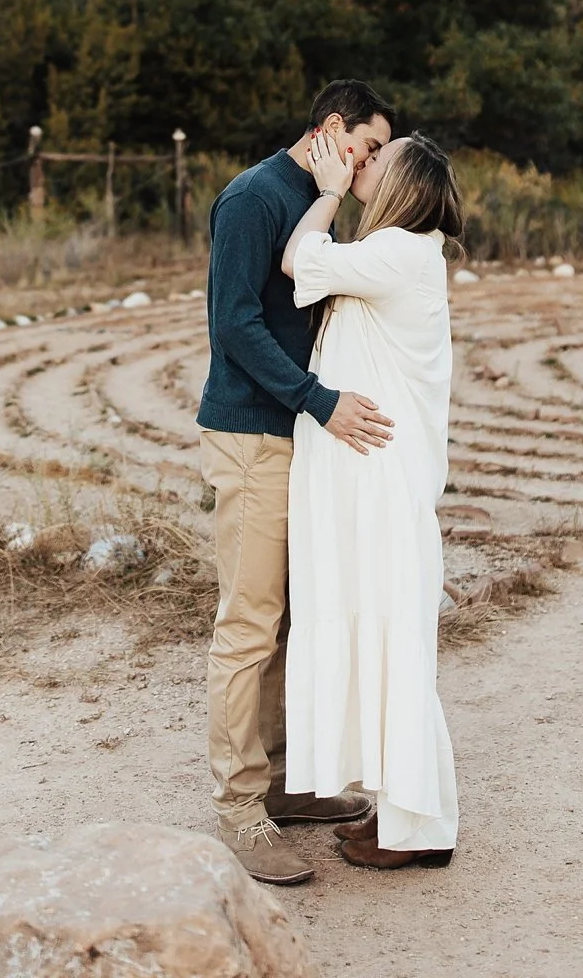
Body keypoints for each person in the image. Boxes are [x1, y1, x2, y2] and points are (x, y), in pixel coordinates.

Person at [197, 79, 397, 885]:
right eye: (370, 145)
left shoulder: (318, 195)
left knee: (289, 620)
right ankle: (239, 808)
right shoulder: (253, 197)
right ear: (331, 127)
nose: (373, 162)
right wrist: (318, 401)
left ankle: (282, 785)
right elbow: (234, 321)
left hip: (296, 437)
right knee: (248, 623)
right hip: (253, 433)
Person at [280, 129, 463, 869]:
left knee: (390, 638)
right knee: (372, 633)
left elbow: (298, 261)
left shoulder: (400, 250)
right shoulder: (396, 251)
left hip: (380, 480)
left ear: (405, 185)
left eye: (377, 159)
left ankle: (419, 830)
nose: (363, 161)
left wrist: (324, 189)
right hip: (365, 474)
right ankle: (396, 809)